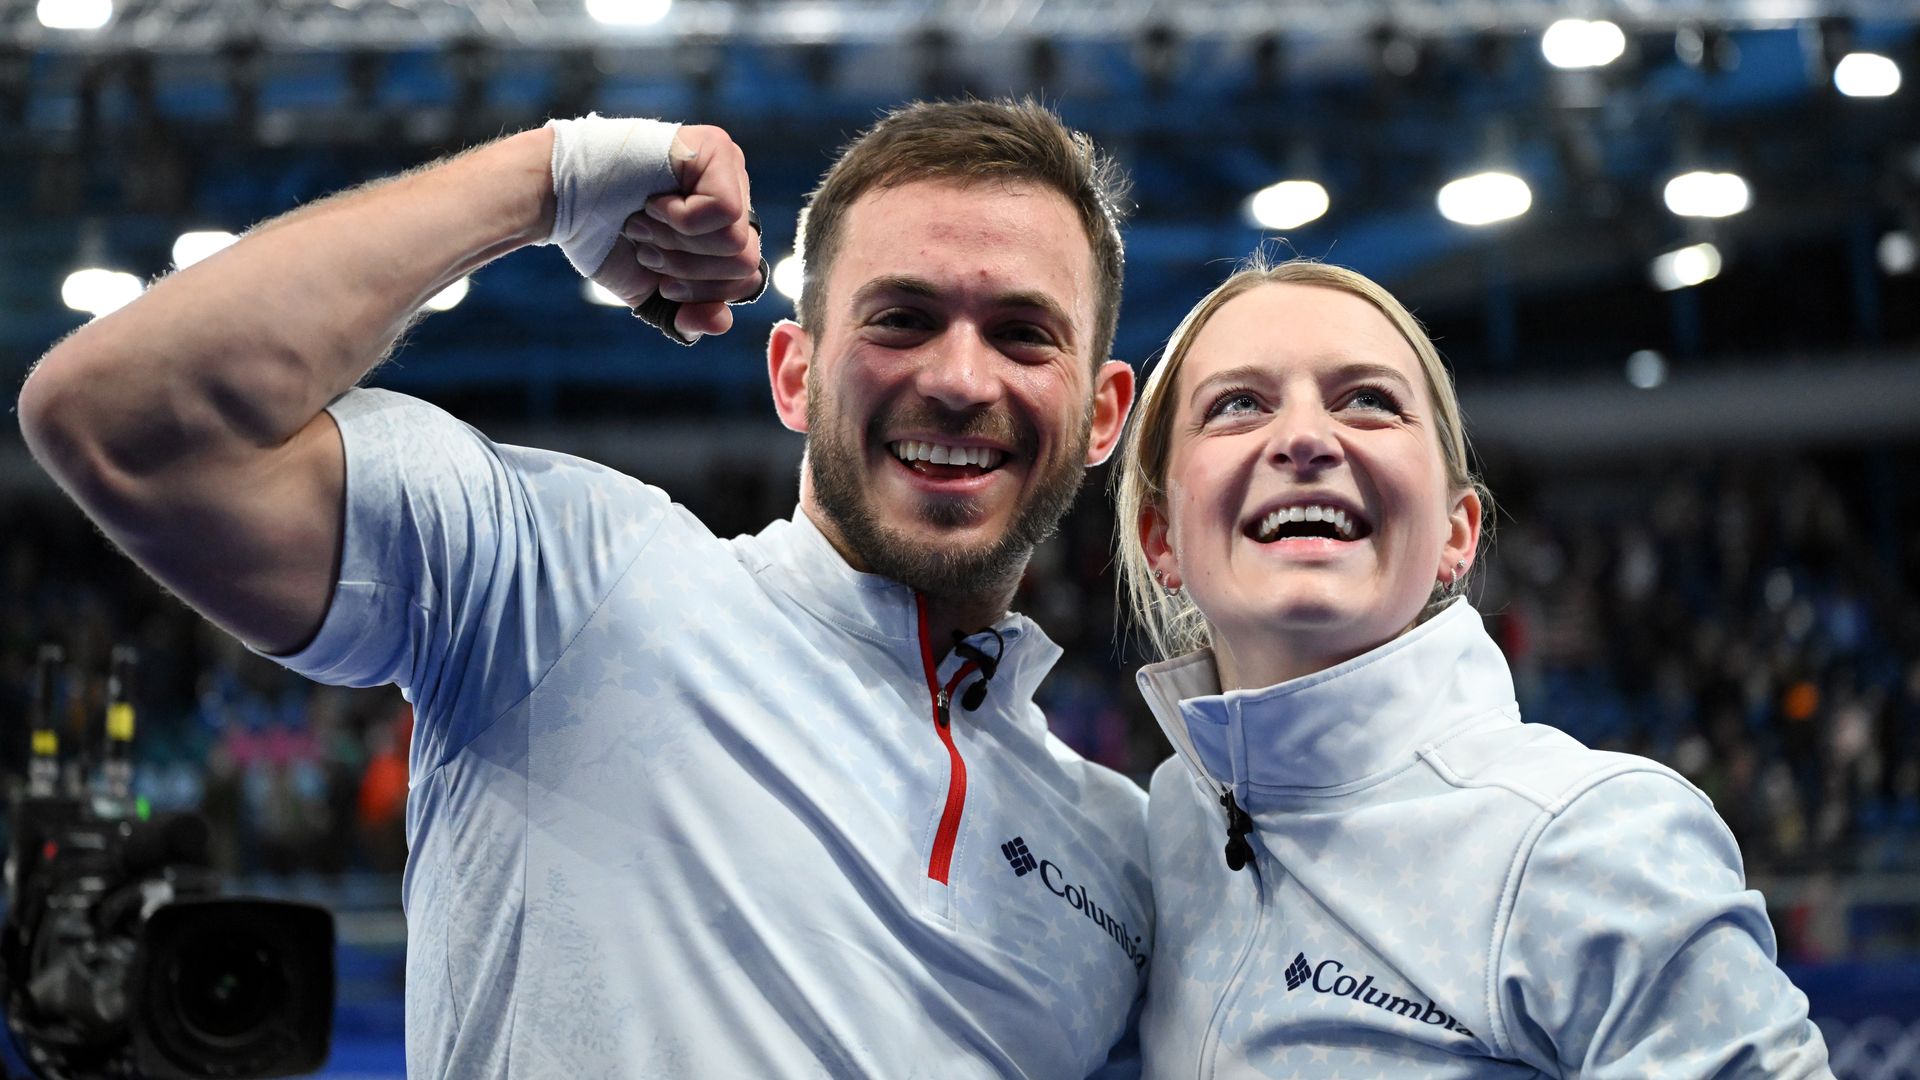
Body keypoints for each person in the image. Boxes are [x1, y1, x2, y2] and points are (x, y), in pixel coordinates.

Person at [18, 100, 1152, 1078]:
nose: (959, 379)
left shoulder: (1123, 858)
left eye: (1021, 333)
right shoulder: (566, 584)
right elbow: (123, 421)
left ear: (1102, 414)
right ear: (794, 375)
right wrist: (547, 176)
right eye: (902, 319)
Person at [1112, 257, 1833, 1077]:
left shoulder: (1590, 840)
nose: (1306, 438)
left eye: (1369, 401)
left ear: (1458, 533)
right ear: (1160, 538)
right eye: (1238, 404)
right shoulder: (1159, 835)